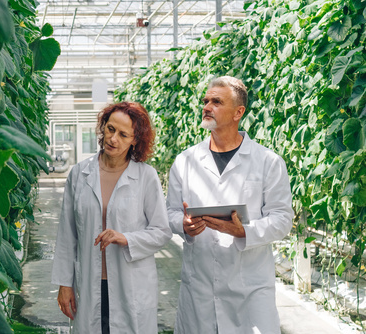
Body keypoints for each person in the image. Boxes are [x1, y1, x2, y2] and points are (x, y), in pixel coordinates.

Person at [167, 76, 294, 333]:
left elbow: (282, 219)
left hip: (249, 287)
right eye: (205, 100)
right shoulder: (185, 161)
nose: (206, 106)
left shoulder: (267, 161)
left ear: (239, 112)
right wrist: (183, 224)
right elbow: (169, 211)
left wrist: (244, 231)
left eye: (216, 101)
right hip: (200, 286)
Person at [51, 102, 172, 334]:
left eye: (123, 134)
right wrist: (64, 284)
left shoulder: (146, 177)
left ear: (135, 140)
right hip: (89, 281)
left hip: (131, 283)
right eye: (110, 129)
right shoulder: (79, 174)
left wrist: (126, 238)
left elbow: (162, 231)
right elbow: (67, 235)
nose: (113, 139)